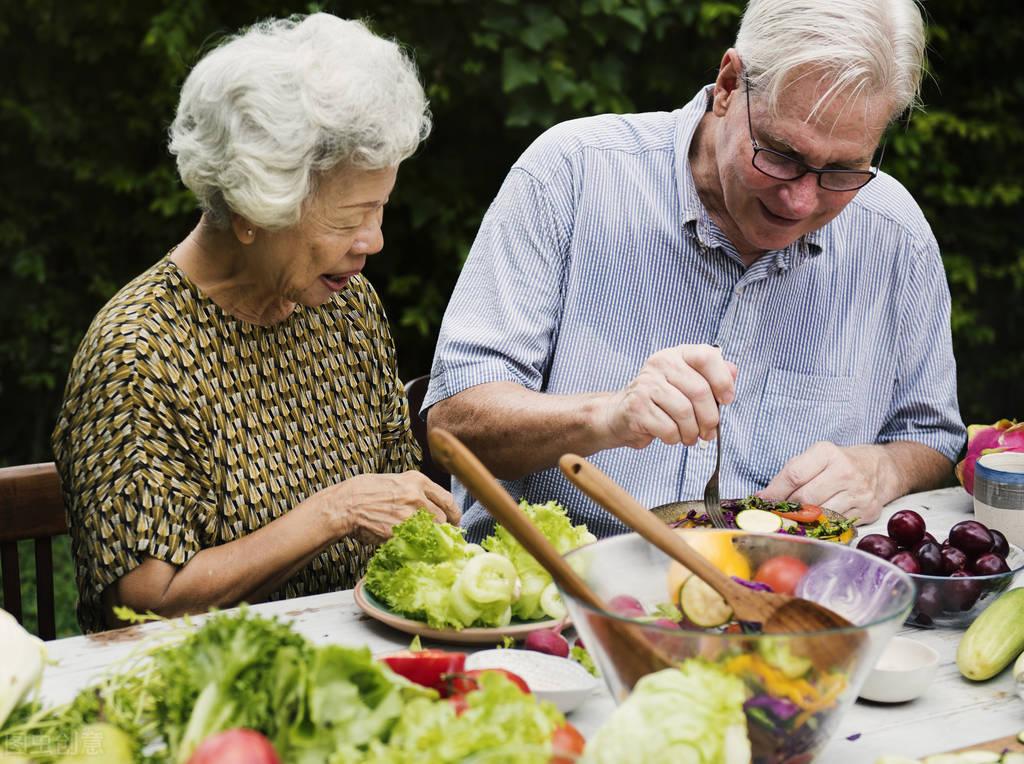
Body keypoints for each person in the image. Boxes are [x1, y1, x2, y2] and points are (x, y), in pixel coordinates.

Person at [425, 0, 965, 540]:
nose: (801, 201)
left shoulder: (893, 232)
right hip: (554, 592)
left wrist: (886, 468)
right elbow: (454, 423)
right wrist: (607, 417)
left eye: (843, 170)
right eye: (780, 154)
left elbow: (931, 438)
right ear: (729, 84)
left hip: (774, 595)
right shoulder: (573, 173)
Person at [52, 14, 459, 633]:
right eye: (349, 218)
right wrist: (335, 510)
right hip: (206, 692)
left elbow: (398, 502)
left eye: (380, 208)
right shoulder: (139, 355)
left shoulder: (347, 310)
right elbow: (143, 606)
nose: (373, 241)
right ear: (253, 208)